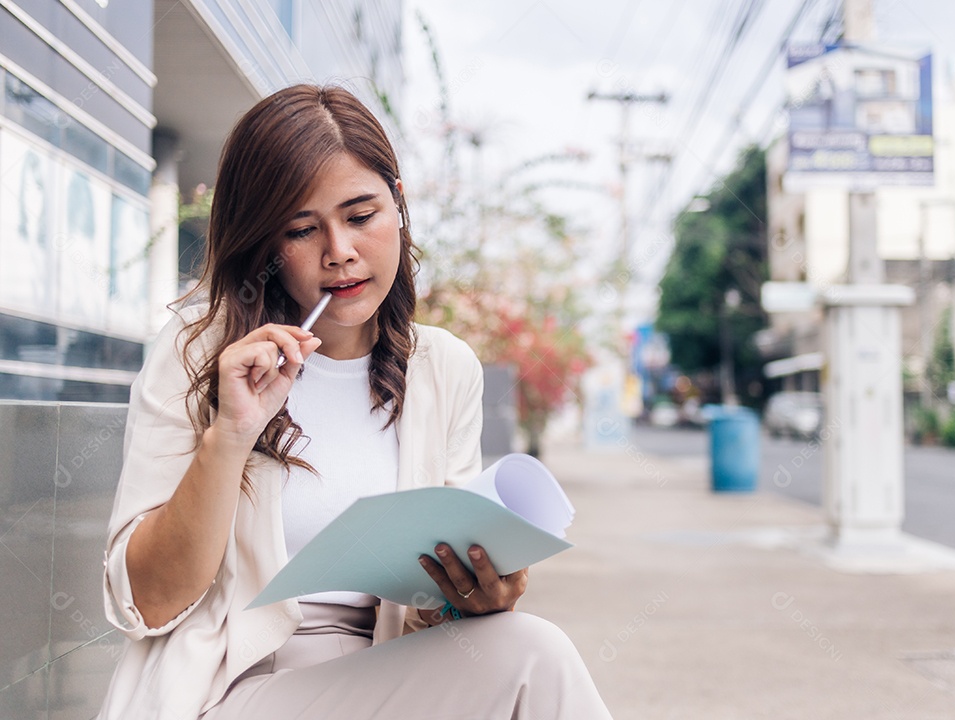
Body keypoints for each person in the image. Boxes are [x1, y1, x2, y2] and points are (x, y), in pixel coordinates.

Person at [98, 84, 612, 720]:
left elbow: (433, 607)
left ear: (398, 205)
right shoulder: (198, 351)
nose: (338, 250)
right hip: (231, 691)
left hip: (388, 677)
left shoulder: (442, 367)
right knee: (539, 655)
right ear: (265, 245)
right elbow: (145, 603)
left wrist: (477, 594)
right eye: (301, 228)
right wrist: (229, 436)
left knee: (523, 644)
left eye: (361, 216)